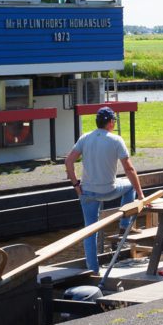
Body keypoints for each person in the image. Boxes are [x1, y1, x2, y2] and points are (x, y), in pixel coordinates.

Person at [65, 106, 144, 274]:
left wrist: (75, 185)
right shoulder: (116, 140)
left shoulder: (85, 138)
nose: (114, 123)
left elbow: (69, 161)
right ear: (110, 122)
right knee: (129, 186)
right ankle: (124, 225)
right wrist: (141, 194)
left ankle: (93, 270)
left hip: (87, 192)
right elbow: (129, 169)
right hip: (109, 190)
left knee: (90, 231)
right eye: (114, 121)